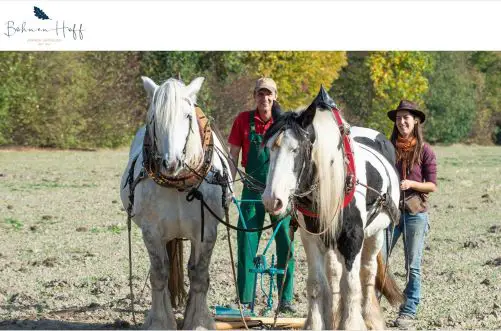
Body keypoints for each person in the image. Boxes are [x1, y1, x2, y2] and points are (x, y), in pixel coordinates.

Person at [228, 78, 296, 313]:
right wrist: (229, 185)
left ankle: (285, 300)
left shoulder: (286, 123)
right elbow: (233, 156)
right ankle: (245, 300)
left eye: (268, 94)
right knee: (246, 243)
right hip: (252, 189)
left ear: (275, 96)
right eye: (260, 94)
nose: (264, 99)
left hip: (280, 191)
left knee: (285, 243)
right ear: (254, 96)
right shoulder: (242, 121)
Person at [386, 100, 438, 328]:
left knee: (413, 265)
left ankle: (408, 310)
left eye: (406, 117)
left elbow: (432, 185)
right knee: (378, 258)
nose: (402, 121)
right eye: (398, 118)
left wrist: (412, 184)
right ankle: (375, 302)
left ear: (415, 120)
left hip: (416, 214)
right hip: (389, 213)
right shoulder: (388, 147)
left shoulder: (425, 150)